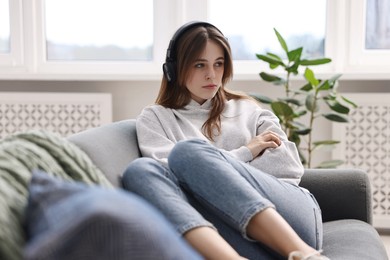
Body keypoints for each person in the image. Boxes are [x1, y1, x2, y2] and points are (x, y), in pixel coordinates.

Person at [122, 21, 329, 260]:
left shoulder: (248, 109)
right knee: (139, 171)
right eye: (199, 64)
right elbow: (170, 184)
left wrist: (208, 168)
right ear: (174, 69)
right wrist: (247, 152)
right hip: (229, 236)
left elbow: (288, 169)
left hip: (292, 222)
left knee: (188, 153)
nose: (211, 74)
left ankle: (307, 255)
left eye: (218, 64)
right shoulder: (155, 118)